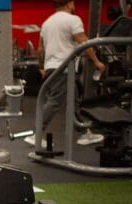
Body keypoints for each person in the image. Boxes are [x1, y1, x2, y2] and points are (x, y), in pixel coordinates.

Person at [31, 0, 106, 147]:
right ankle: (36, 133)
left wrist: (42, 67)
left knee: (74, 101)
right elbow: (84, 43)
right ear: (69, 4)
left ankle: (85, 132)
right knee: (55, 101)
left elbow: (40, 49)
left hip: (53, 67)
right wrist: (97, 62)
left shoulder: (47, 22)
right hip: (63, 68)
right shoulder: (73, 19)